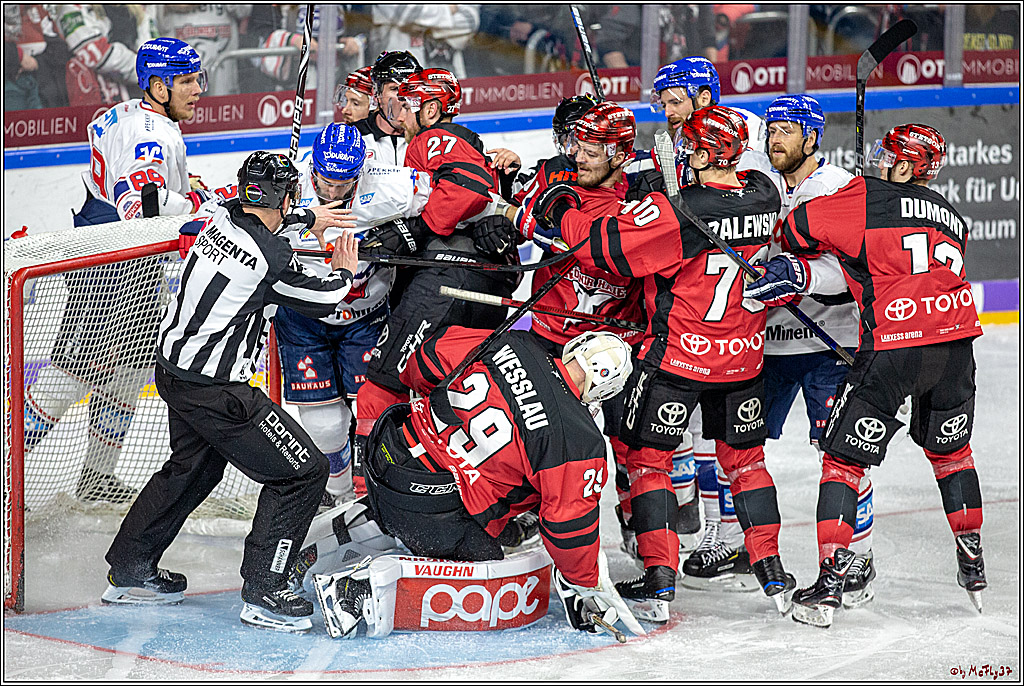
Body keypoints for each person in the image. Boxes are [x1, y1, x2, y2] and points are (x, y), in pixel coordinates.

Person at [516, 105, 794, 621]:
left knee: (648, 463)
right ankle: (772, 571)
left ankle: (660, 581)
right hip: (742, 360)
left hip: (679, 359)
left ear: (704, 154)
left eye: (690, 148)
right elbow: (732, 195)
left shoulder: (676, 210)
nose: (682, 154)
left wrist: (559, 210)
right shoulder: (764, 191)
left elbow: (600, 247)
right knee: (748, 464)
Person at [103, 150, 360, 635]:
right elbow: (323, 297)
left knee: (192, 469)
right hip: (219, 392)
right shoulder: (270, 258)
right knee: (303, 473)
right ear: (283, 198)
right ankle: (265, 590)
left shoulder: (219, 215)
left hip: (175, 372)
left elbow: (262, 226)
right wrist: (344, 270)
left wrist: (308, 218)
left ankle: (130, 566)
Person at [744, 123, 987, 627]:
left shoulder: (865, 196)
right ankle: (973, 562)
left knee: (842, 461)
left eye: (888, 157)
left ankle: (830, 583)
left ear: (906, 165)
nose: (880, 161)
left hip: (895, 346)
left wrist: (849, 206)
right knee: (952, 455)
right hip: (956, 346)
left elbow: (796, 230)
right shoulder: (954, 216)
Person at [315, 326, 639, 639]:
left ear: (578, 346)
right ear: (606, 391)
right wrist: (584, 581)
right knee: (487, 568)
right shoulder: (580, 440)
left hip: (385, 454)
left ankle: (328, 544)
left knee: (446, 505)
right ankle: (360, 586)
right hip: (430, 510)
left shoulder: (515, 342)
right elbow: (568, 527)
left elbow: (424, 360)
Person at [21, 37, 215, 504]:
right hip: (110, 266)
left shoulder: (126, 112)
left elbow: (129, 175)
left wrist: (181, 184)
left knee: (131, 369)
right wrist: (198, 201)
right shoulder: (152, 134)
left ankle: (96, 477)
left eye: (197, 79)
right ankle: (8, 466)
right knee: (69, 376)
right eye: (187, 82)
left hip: (130, 262)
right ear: (158, 87)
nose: (197, 90)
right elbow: (141, 205)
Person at [353, 67, 517, 495]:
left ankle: (373, 494)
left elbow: (468, 190)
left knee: (380, 391)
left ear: (430, 109)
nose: (401, 116)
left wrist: (417, 230)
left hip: (445, 282)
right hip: (483, 289)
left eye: (407, 106)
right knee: (451, 398)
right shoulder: (473, 148)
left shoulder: (433, 138)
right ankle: (463, 491)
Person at [509, 101, 650, 568]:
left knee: (628, 444)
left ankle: (637, 523)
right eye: (576, 144)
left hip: (614, 350)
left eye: (590, 148)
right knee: (539, 437)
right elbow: (524, 217)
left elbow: (616, 252)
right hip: (551, 338)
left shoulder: (643, 193)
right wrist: (536, 214)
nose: (578, 155)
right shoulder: (557, 175)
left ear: (618, 154)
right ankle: (530, 513)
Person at [758, 94, 876, 607]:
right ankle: (734, 543)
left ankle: (858, 558)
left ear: (811, 137)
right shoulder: (760, 184)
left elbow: (857, 268)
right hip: (768, 343)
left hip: (830, 343)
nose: (775, 139)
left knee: (841, 453)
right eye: (771, 130)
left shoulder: (838, 187)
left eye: (786, 130)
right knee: (738, 446)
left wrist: (802, 274)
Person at [278, 122, 432, 506]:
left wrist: (410, 230)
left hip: (366, 317)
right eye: (324, 182)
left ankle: (380, 495)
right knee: (325, 425)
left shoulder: (390, 184)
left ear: (360, 173)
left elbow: (450, 195)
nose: (331, 193)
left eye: (342, 184)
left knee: (374, 413)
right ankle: (340, 496)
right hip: (302, 319)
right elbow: (230, 209)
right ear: (311, 168)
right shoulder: (285, 185)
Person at [358, 50, 420, 166]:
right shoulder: (355, 136)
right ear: (377, 95)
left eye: (411, 88)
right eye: (395, 89)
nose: (404, 98)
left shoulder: (429, 137)